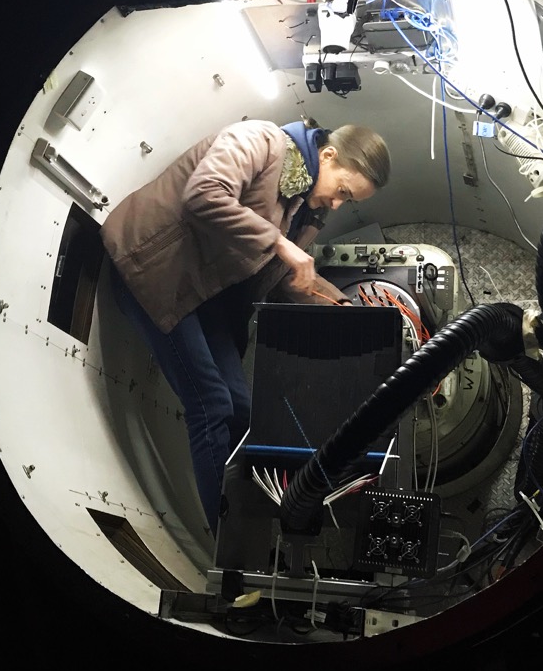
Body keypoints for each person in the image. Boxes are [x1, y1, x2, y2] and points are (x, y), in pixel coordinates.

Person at [100, 117, 391, 535]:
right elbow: (204, 194)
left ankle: (255, 525)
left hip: (206, 294)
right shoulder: (260, 140)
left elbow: (285, 276)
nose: (338, 204)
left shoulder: (304, 208)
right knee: (212, 404)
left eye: (350, 201)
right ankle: (228, 543)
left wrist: (342, 306)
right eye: (344, 191)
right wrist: (280, 243)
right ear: (327, 155)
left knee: (243, 410)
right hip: (156, 270)